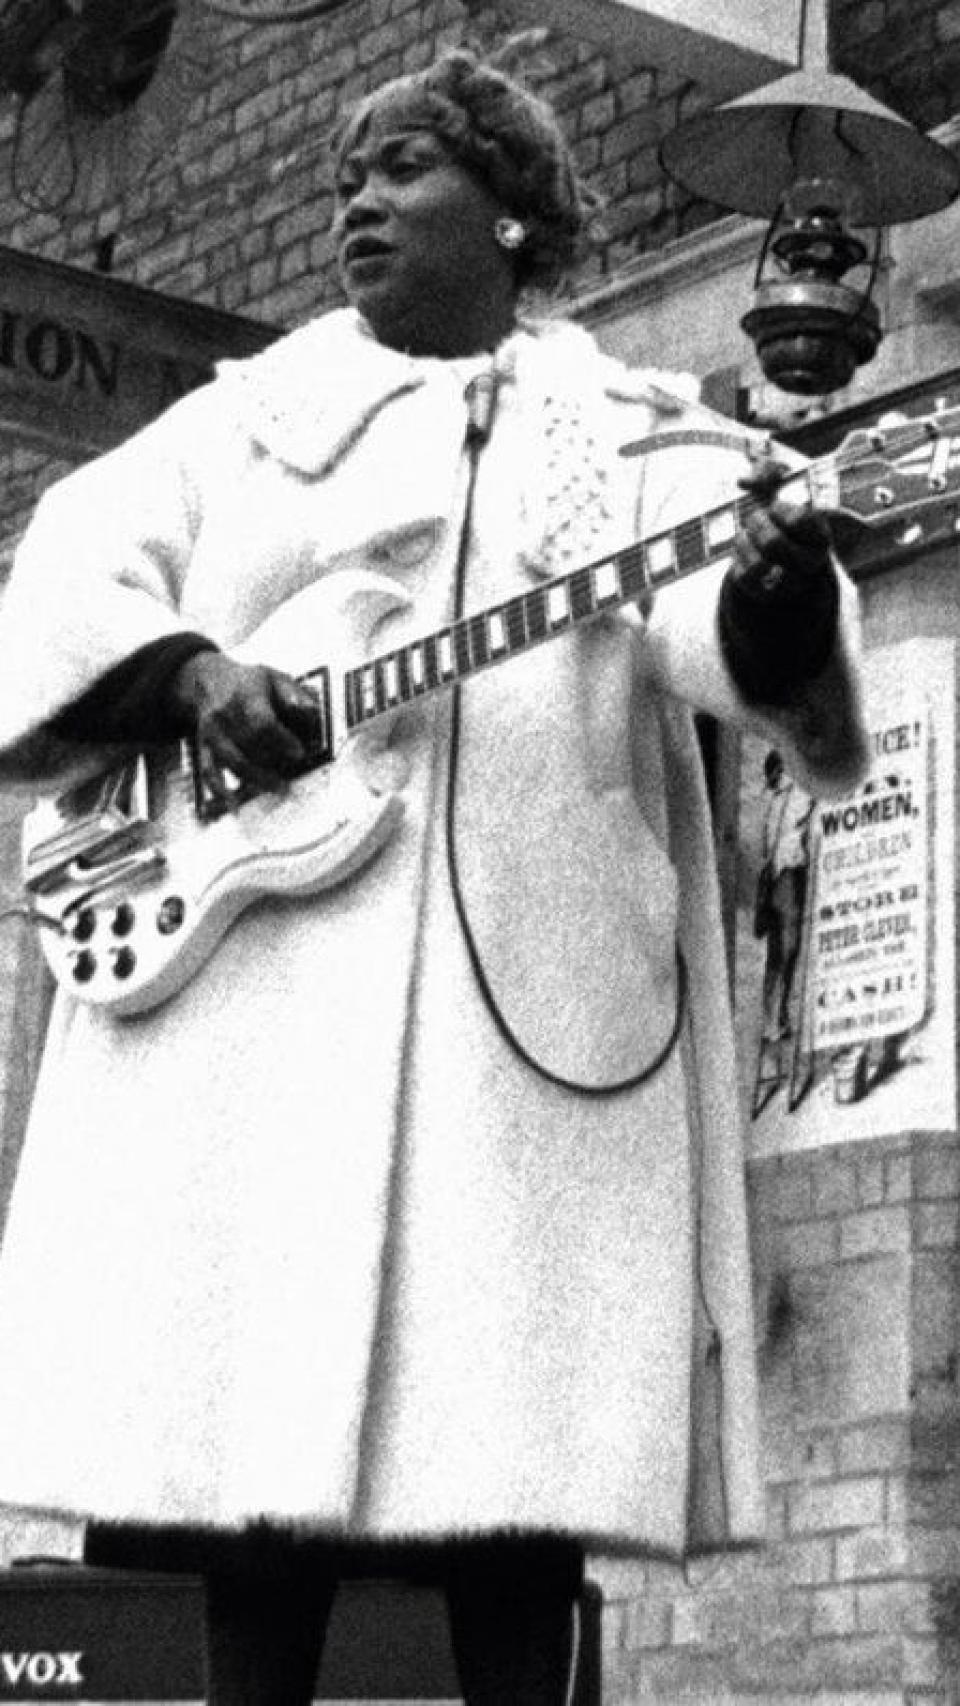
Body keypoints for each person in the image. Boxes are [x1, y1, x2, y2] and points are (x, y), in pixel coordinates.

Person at [0, 46, 868, 1706]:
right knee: (253, 1524)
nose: (360, 205)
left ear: (514, 214)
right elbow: (66, 567)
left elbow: (725, 632)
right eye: (347, 180)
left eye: (403, 171)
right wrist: (190, 675)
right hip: (265, 1018)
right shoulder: (246, 422)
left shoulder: (632, 431)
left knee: (511, 1507)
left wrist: (771, 591)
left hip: (520, 1031)